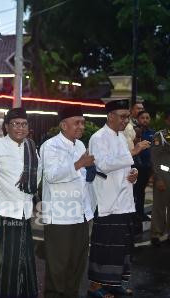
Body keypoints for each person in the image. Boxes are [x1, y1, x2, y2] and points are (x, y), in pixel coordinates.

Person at [87, 99, 150, 298]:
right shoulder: (98, 138)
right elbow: (103, 165)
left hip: (124, 200)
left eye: (127, 117)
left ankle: (114, 284)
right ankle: (95, 287)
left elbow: (127, 165)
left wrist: (134, 173)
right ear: (110, 116)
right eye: (122, 117)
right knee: (104, 245)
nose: (125, 121)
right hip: (108, 201)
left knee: (121, 246)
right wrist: (133, 152)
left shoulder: (122, 137)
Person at [40, 106, 95, 298]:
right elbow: (52, 176)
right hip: (60, 217)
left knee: (76, 266)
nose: (81, 126)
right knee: (58, 269)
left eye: (82, 122)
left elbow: (82, 180)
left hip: (80, 216)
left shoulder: (79, 145)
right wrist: (80, 164)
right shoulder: (51, 146)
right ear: (63, 125)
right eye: (77, 123)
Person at [0, 107, 41, 298]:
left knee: (25, 261)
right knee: (6, 263)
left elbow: (38, 174)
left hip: (25, 213)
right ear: (7, 126)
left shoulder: (31, 146)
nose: (20, 128)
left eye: (24, 124)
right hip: (4, 213)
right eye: (16, 124)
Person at [150, 111, 170, 246]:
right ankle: (156, 233)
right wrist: (158, 178)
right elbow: (155, 158)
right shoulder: (160, 136)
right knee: (159, 206)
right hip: (164, 175)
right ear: (167, 121)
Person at [133, 110, 155, 223]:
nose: (145, 120)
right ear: (137, 119)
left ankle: (140, 214)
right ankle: (135, 215)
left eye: (147, 118)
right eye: (142, 118)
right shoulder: (133, 131)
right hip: (136, 167)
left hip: (147, 167)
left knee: (141, 191)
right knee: (135, 192)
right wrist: (137, 135)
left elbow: (154, 151)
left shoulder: (153, 133)